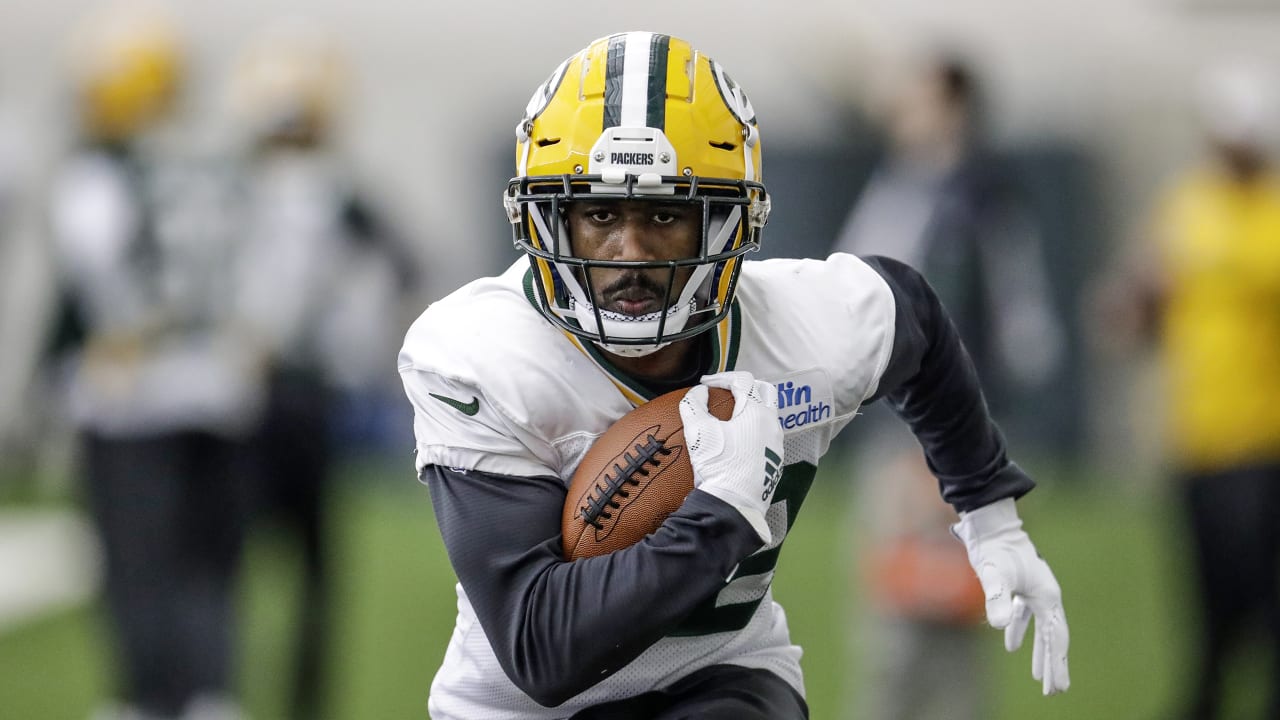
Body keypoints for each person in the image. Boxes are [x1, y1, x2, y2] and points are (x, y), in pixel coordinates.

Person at [399, 32, 1070, 719]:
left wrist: (989, 513)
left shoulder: (803, 324)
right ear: (545, 218)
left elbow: (918, 323)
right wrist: (721, 511)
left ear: (727, 222)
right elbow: (541, 647)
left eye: (665, 214)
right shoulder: (482, 352)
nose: (630, 252)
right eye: (599, 213)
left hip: (717, 681)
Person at [832, 54, 1066, 720]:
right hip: (896, 427)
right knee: (896, 621)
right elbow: (848, 290)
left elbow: (1024, 326)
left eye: (924, 99)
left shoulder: (984, 200)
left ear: (955, 108)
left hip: (948, 431)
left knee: (954, 612)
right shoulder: (899, 188)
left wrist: (972, 443)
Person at [46, 7, 258, 719]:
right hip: (221, 389)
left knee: (138, 566)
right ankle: (209, 694)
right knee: (209, 564)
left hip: (131, 393)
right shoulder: (220, 161)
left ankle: (145, 699)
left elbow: (100, 277)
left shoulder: (100, 173)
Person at [227, 20, 420, 720]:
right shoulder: (315, 192)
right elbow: (402, 266)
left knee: (261, 569)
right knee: (295, 572)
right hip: (285, 394)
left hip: (271, 393)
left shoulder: (279, 189)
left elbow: (398, 267)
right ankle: (282, 701)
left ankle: (244, 697)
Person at [1099, 59, 1280, 720]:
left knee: (1261, 600)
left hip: (1262, 440)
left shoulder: (1272, 217)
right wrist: (1129, 309)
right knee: (1206, 601)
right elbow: (1150, 292)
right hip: (1196, 437)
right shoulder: (1188, 205)